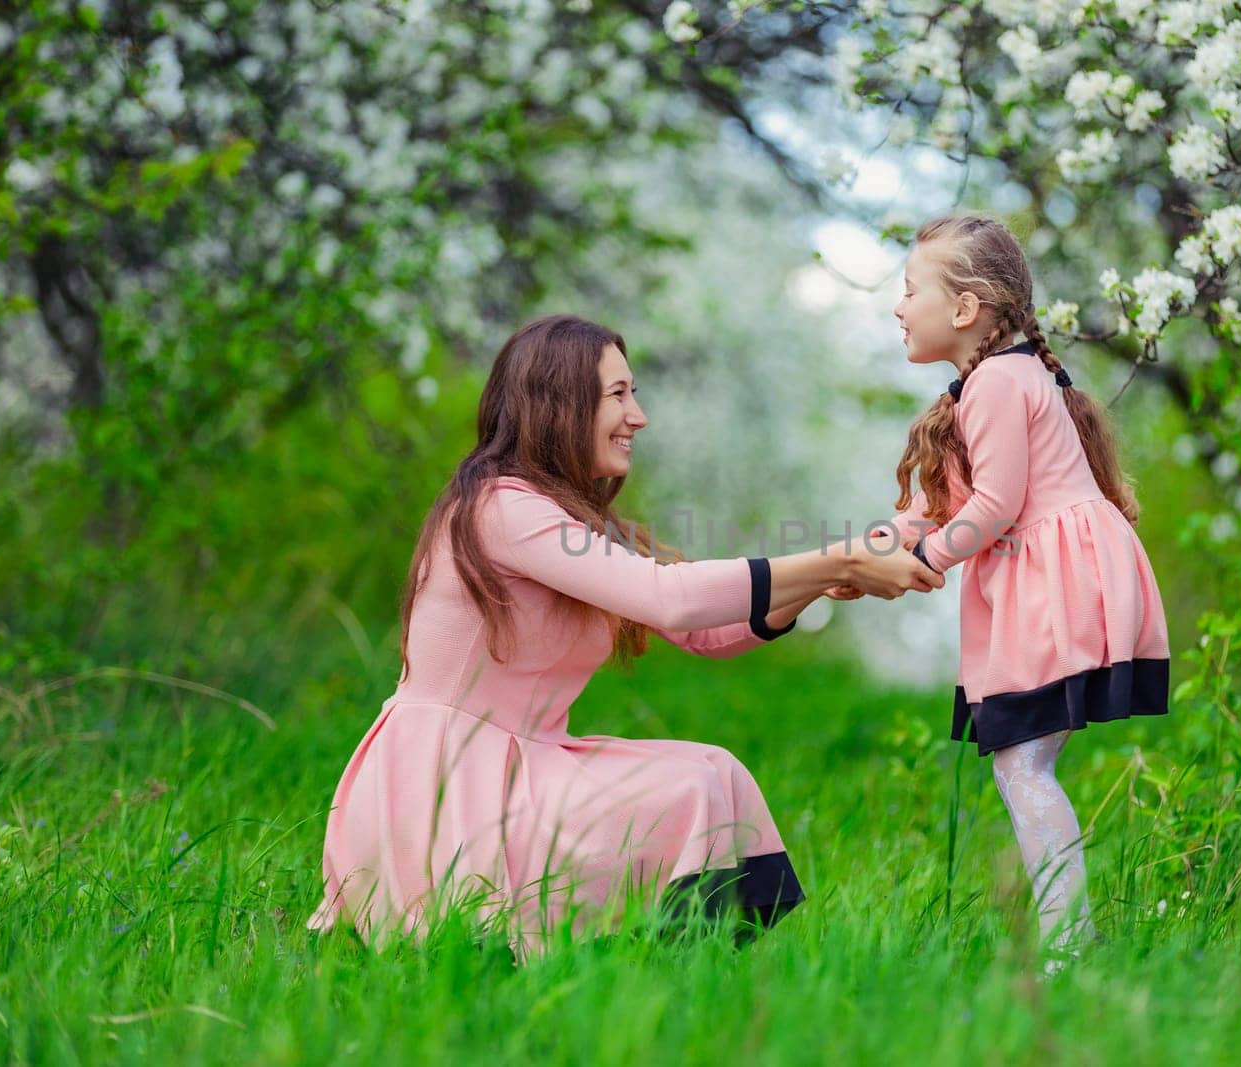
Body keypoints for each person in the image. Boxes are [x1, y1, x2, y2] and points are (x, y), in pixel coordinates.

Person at [306, 314, 941, 957]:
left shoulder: (566, 519)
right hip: (445, 785)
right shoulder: (500, 509)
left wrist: (829, 574)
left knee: (712, 773)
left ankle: (675, 975)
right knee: (695, 785)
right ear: (558, 403)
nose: (638, 416)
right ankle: (652, 968)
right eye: (619, 395)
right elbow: (670, 601)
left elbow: (705, 635)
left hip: (518, 769)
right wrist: (839, 561)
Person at [873, 215, 1170, 963]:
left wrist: (931, 559)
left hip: (1056, 590)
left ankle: (1071, 944)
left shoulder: (998, 381)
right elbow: (966, 495)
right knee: (1023, 763)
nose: (899, 307)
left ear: (966, 309)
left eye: (912, 291)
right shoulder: (1001, 378)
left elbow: (997, 505)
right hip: (1057, 581)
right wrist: (897, 536)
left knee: (1022, 764)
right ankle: (1072, 937)